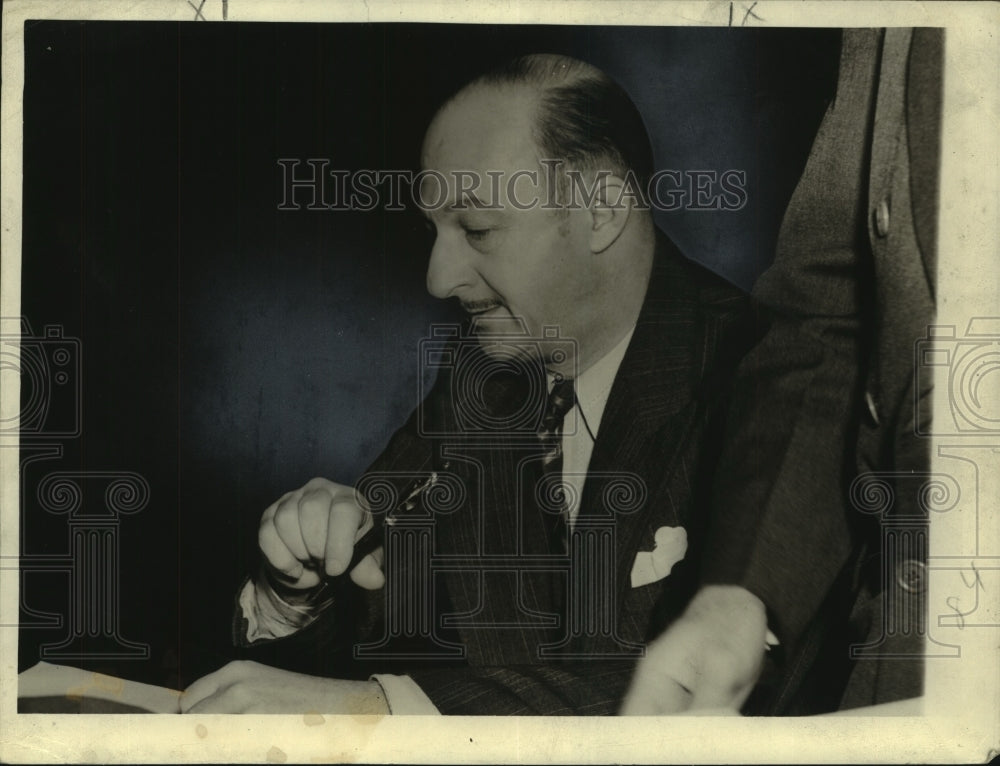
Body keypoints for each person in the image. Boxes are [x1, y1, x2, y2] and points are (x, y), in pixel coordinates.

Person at [179, 54, 763, 714]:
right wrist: (294, 591)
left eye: (478, 228)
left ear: (602, 210)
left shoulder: (763, 372)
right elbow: (372, 637)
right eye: (433, 230)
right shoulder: (487, 370)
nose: (436, 278)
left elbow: (682, 694)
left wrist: (379, 713)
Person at [622, 27, 942, 715]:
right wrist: (743, 595)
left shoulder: (694, 351)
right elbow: (831, 312)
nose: (439, 278)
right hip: (904, 662)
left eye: (478, 229)